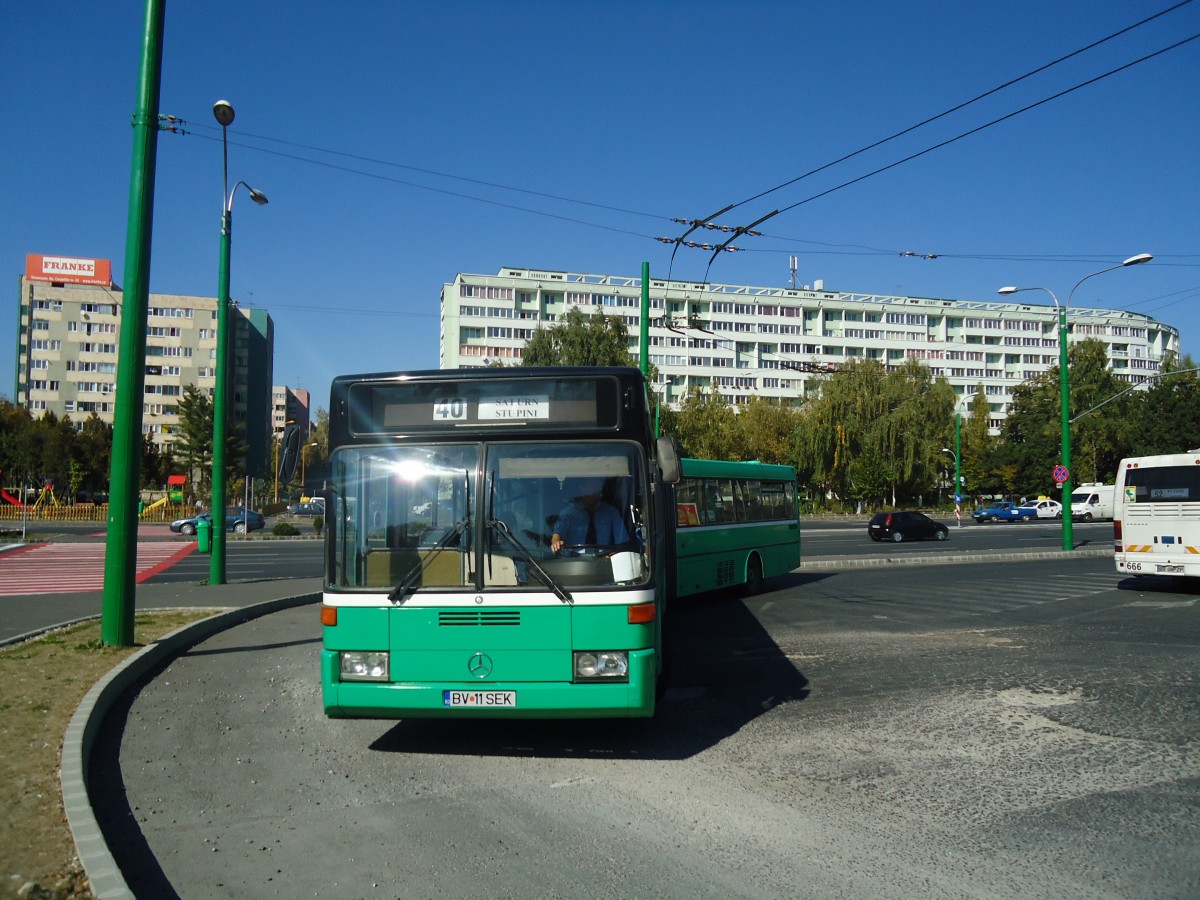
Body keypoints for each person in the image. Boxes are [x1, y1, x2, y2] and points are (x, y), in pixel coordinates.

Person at [550, 478, 629, 553]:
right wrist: (556, 543)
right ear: (581, 489)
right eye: (589, 487)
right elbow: (557, 535)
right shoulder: (568, 514)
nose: (592, 492)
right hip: (574, 562)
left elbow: (622, 544)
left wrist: (614, 553)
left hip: (606, 561)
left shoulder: (611, 513)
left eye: (595, 487)